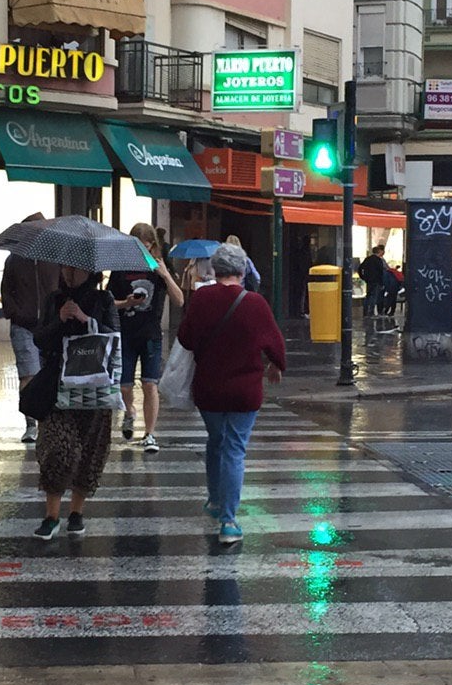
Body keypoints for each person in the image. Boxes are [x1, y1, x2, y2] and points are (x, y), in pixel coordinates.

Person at [178, 243, 286, 544]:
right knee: (234, 448)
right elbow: (274, 343)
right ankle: (228, 520)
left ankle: (214, 501)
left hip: (209, 389)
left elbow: (185, 337)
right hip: (244, 391)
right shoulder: (254, 303)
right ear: (242, 271)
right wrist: (277, 365)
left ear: (215, 270)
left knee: (216, 441)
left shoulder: (201, 298)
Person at [31, 264, 119, 540]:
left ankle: (76, 513)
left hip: (94, 386)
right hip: (57, 386)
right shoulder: (54, 299)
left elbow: (114, 337)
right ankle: (51, 516)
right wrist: (59, 319)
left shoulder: (103, 299)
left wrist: (86, 320)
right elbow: (40, 339)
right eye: (66, 268)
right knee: (58, 447)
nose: (70, 273)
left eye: (77, 269)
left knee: (90, 450)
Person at [107, 223, 184, 453]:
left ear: (153, 246)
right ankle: (130, 411)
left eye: (147, 246)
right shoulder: (121, 267)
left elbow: (179, 300)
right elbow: (108, 300)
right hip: (126, 332)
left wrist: (165, 274)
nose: (142, 251)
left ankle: (150, 434)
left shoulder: (158, 266)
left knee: (150, 384)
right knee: (124, 386)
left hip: (151, 334)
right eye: (137, 246)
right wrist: (126, 303)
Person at [1, 213, 59, 444]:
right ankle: (31, 424)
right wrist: (15, 313)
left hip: (50, 325)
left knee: (50, 373)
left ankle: (48, 420)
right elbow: (6, 290)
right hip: (23, 325)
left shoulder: (53, 258)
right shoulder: (15, 259)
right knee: (28, 374)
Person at [357, 245, 386, 317]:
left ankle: (365, 312)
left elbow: (360, 268)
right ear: (379, 251)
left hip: (369, 280)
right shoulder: (379, 260)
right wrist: (382, 282)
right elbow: (380, 272)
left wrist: (363, 277)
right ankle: (371, 313)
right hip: (376, 281)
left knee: (368, 296)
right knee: (374, 297)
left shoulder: (368, 259)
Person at [290, 235, 312, 318]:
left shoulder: (303, 252)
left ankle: (302, 311)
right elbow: (304, 264)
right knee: (302, 293)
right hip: (303, 275)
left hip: (304, 275)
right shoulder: (304, 252)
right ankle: (301, 311)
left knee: (303, 293)